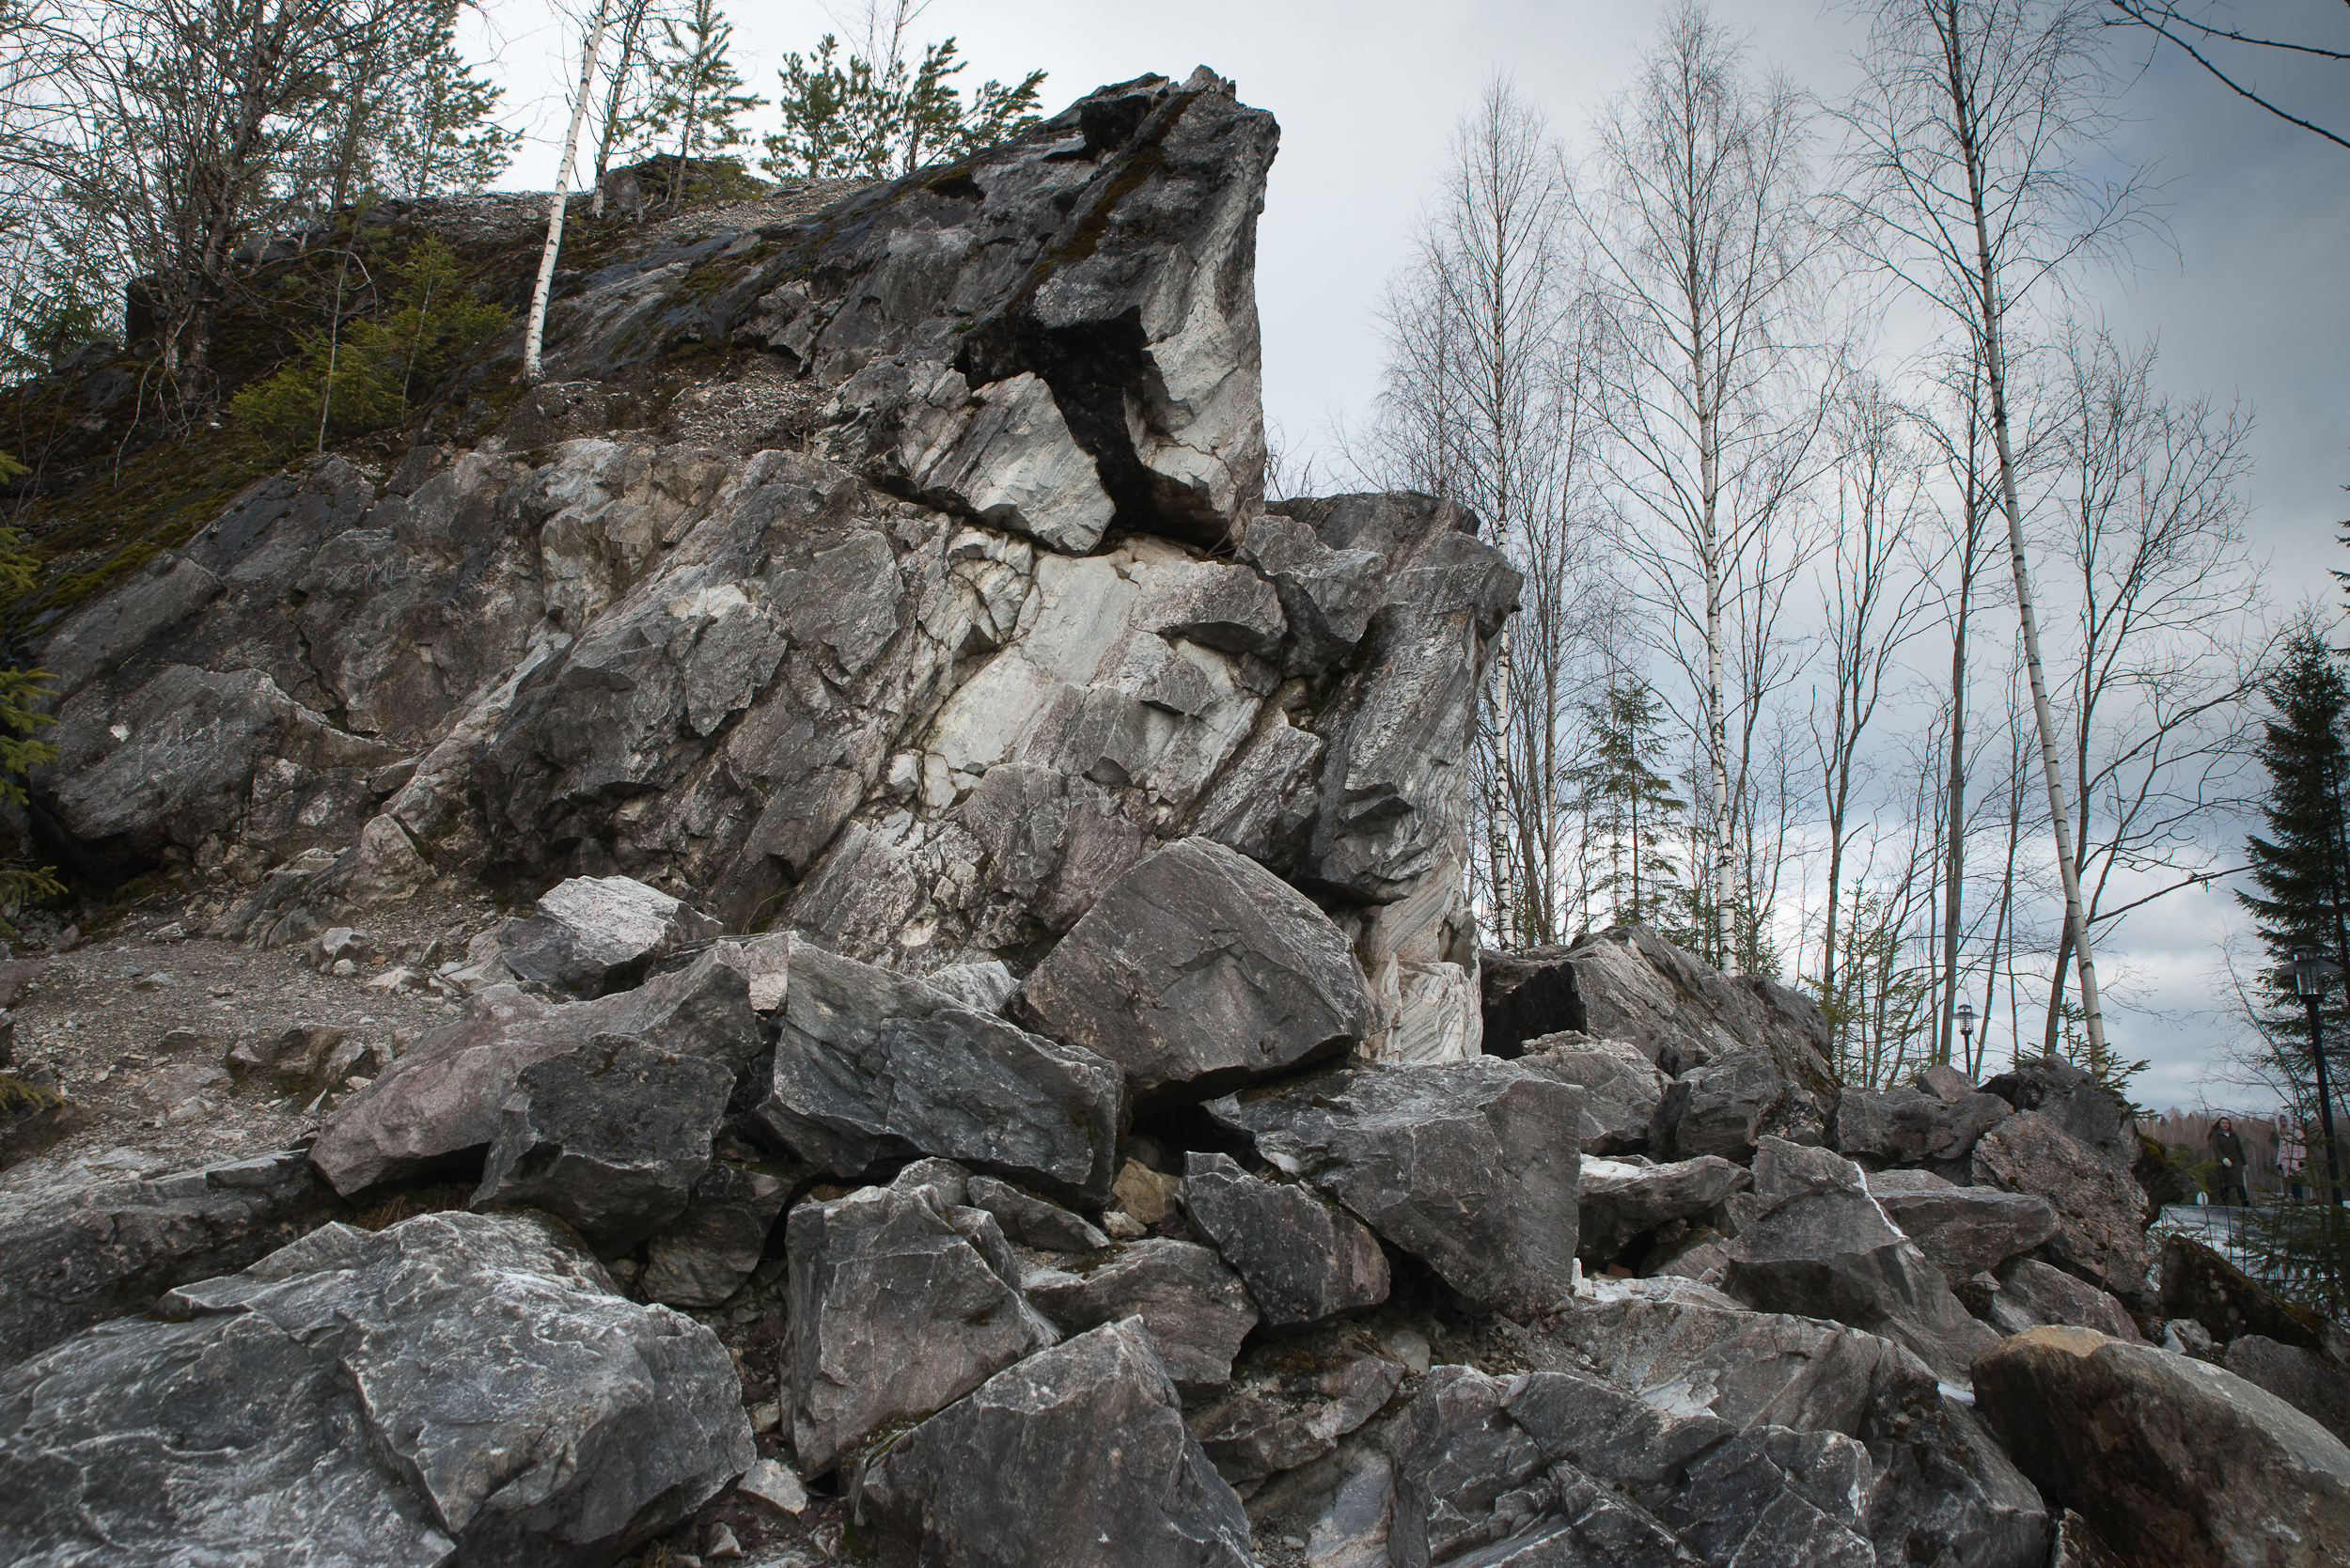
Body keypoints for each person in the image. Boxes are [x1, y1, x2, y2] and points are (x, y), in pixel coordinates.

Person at [2207, 1116, 2250, 1207]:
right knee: (2224, 1183)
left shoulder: (2234, 1135)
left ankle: (2244, 1200)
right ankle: (2224, 1202)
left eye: (2227, 1123)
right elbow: (2216, 1149)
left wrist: (2244, 1163)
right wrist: (2223, 1159)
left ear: (2229, 1124)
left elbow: (2239, 1149)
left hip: (2236, 1162)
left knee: (2239, 1181)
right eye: (2223, 1123)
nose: (2225, 1125)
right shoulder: (2216, 1135)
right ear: (2219, 1124)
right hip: (2222, 1164)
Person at [2279, 1115, 2308, 1202]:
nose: (2283, 1122)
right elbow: (2281, 1149)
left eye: (2284, 1120)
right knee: (2290, 1182)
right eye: (2281, 1121)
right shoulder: (2283, 1134)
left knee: (2296, 1181)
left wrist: (2302, 1159)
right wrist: (2279, 1162)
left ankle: (2300, 1200)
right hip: (2286, 1161)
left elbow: (2302, 1146)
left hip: (2296, 1160)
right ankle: (2296, 1199)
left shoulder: (2298, 1132)